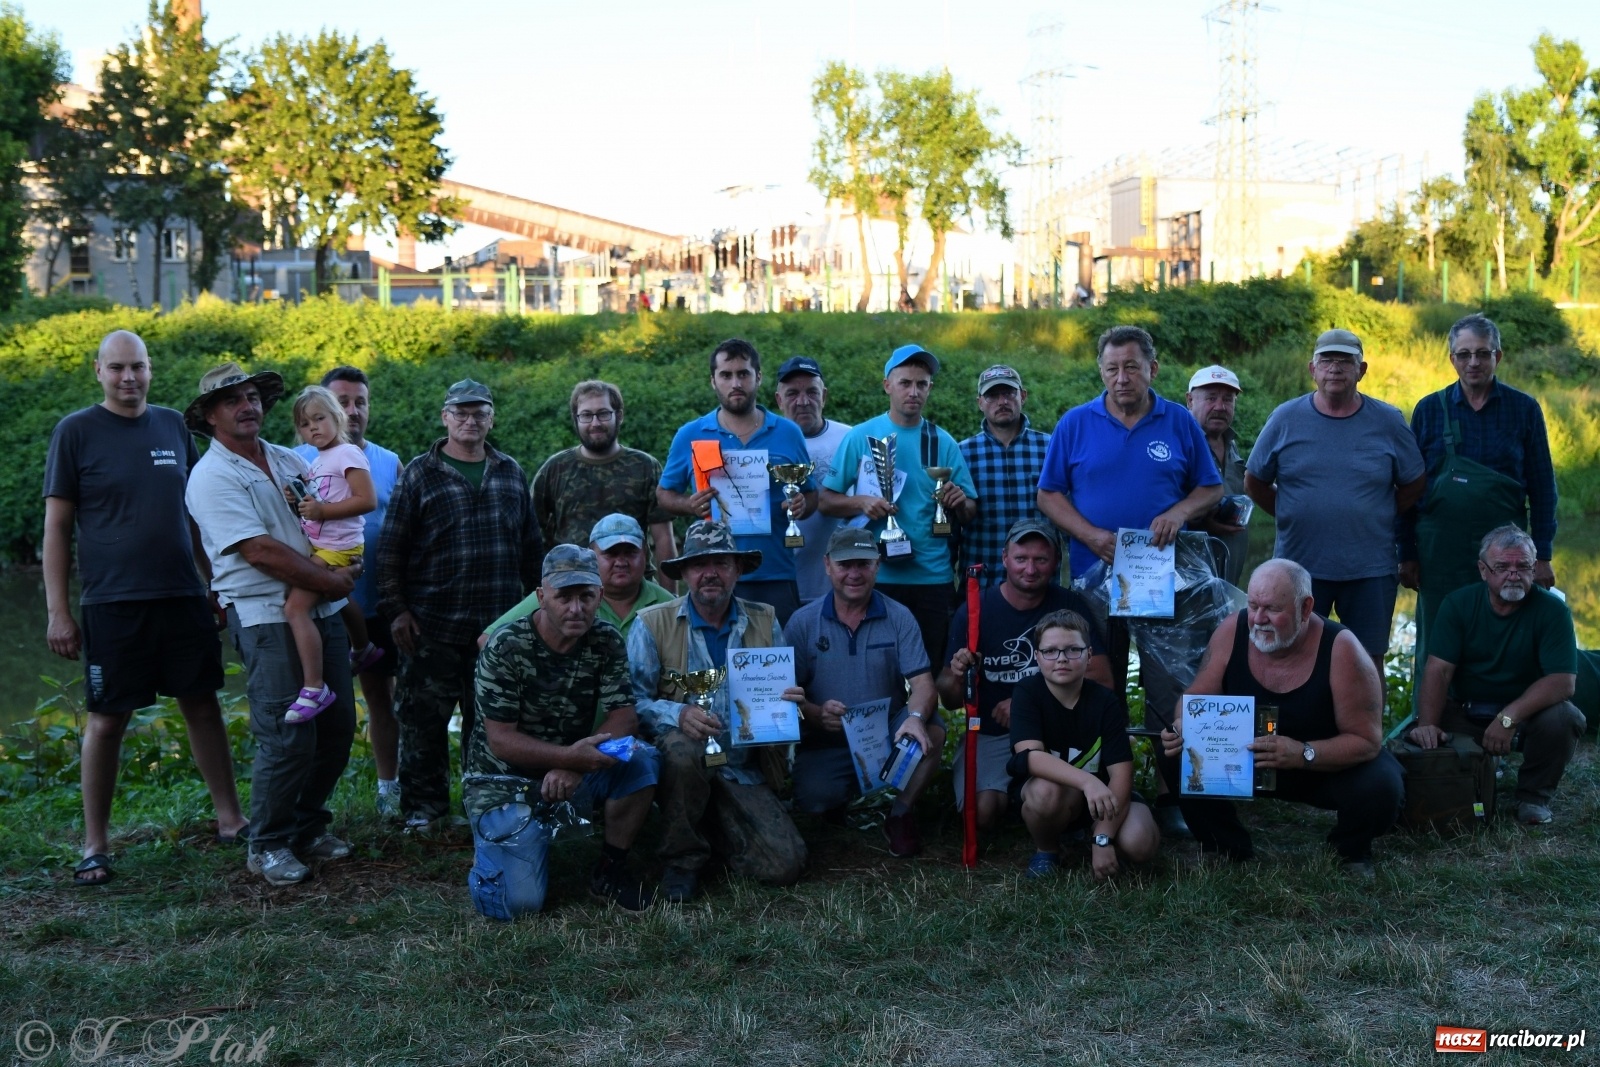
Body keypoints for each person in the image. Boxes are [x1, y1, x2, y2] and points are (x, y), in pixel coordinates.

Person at [43, 331, 247, 886]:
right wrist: (57, 611)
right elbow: (57, 528)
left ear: (150, 370)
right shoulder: (75, 432)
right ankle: (95, 845)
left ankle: (231, 819)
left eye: (137, 367)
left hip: (182, 595)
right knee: (107, 719)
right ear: (98, 371)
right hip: (113, 602)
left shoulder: (173, 427)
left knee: (203, 704)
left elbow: (194, 513)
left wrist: (215, 583)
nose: (128, 378)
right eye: (117, 368)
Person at [1035, 324, 1220, 836]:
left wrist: (1181, 512)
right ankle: (1105, 789)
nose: (1122, 377)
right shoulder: (1075, 423)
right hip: (1095, 580)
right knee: (1096, 681)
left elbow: (1211, 486)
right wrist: (1091, 535)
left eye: (1132, 366)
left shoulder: (1179, 421)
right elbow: (1049, 496)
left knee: (1168, 684)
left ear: (1152, 369)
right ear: (1101, 372)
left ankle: (1170, 794)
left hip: (1164, 580)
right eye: (1112, 368)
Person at [185, 362, 360, 886]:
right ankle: (267, 843)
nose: (248, 406)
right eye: (233, 400)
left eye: (253, 396)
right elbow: (258, 551)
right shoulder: (211, 476)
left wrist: (345, 559)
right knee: (288, 735)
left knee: (337, 727)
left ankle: (306, 826)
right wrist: (330, 580)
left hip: (320, 609)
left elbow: (325, 520)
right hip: (264, 616)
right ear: (212, 416)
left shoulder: (288, 459)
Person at [1160, 559, 1404, 876]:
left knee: (1382, 783)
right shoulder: (1233, 629)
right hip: (1244, 762)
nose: (1259, 619)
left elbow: (1366, 741)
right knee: (1174, 753)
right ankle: (1224, 847)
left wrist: (1302, 752)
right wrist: (1183, 724)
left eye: (1272, 609)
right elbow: (1197, 695)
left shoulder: (1342, 648)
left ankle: (1349, 852)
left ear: (1305, 608)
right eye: (1253, 606)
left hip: (1321, 766)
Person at [376, 379, 544, 832]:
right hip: (430, 626)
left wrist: (536, 609)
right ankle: (422, 813)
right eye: (461, 412)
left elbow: (531, 548)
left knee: (490, 726)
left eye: (480, 413)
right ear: (445, 417)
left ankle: (486, 811)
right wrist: (396, 609)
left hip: (497, 631)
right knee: (422, 725)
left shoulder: (510, 471)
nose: (471, 420)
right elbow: (391, 549)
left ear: (491, 418)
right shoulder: (419, 472)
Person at [465, 545, 661, 918]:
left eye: (586, 597)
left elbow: (624, 717)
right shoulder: (506, 646)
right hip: (504, 781)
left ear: (599, 596)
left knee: (640, 755)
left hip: (574, 767)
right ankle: (494, 853)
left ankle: (610, 870)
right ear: (541, 597)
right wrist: (569, 758)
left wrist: (576, 765)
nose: (576, 609)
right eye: (564, 597)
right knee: (516, 906)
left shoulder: (605, 640)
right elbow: (500, 740)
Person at [626, 521, 808, 902]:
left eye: (722, 563)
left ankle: (709, 827)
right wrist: (676, 715)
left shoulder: (764, 619)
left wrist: (789, 705)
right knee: (681, 748)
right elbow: (631, 704)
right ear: (685, 573)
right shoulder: (652, 623)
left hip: (741, 769)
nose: (710, 573)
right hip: (680, 766)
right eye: (698, 564)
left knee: (785, 865)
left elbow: (777, 699)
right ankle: (682, 859)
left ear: (738, 569)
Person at [1245, 329, 1426, 666]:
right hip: (1299, 567)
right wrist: (1288, 513)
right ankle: (1293, 722)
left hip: (1369, 568)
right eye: (1327, 360)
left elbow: (1415, 483)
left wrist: (1379, 512)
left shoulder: (1388, 421)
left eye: (1346, 361)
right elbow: (1254, 482)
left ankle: (1365, 722)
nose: (1335, 369)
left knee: (1368, 662)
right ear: (1312, 369)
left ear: (1362, 370)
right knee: (1290, 656)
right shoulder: (1285, 418)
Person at [1399, 315, 1558, 667]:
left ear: (1498, 357)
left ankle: (1507, 715)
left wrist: (1543, 553)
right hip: (1439, 552)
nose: (1474, 362)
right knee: (1440, 638)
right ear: (1452, 358)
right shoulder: (1428, 410)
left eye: (1483, 354)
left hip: (1509, 552)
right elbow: (1407, 488)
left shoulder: (1524, 409)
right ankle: (1430, 718)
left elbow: (1544, 488)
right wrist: (1406, 552)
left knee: (1506, 631)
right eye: (1465, 354)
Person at [937, 520, 1111, 831]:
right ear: (1005, 558)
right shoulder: (976, 608)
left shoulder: (1068, 605)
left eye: (1041, 560)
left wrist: (1024, 702)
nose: (1030, 569)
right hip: (993, 731)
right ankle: (1018, 799)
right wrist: (956, 673)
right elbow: (950, 701)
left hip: (1055, 730)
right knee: (981, 815)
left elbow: (1102, 678)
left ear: (1056, 562)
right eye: (1021, 559)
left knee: (1058, 802)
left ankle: (1042, 809)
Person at [781, 527, 945, 856]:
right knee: (814, 799)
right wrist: (814, 713)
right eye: (845, 565)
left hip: (887, 734)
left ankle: (900, 813)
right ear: (827, 565)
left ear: (877, 565)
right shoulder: (802, 622)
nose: (854, 574)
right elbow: (786, 696)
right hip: (827, 738)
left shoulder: (899, 616)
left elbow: (924, 683)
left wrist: (913, 717)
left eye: (863, 564)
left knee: (933, 731)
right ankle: (835, 801)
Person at [1407, 526, 1584, 826]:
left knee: (1566, 718)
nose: (1513, 574)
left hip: (1526, 715)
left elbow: (1563, 681)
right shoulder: (1458, 604)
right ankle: (1464, 781)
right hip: (1466, 710)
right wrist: (1427, 724)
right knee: (1413, 738)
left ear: (1534, 568)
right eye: (1502, 567)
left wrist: (1508, 718)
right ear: (1483, 570)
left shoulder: (1553, 611)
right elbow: (1439, 669)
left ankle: (1533, 796)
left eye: (1523, 566)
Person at [820, 344, 978, 667]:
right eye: (905, 383)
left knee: (929, 671)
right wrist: (861, 502)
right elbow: (825, 501)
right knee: (877, 672)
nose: (914, 392)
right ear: (887, 385)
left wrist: (960, 502)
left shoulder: (942, 441)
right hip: (876, 576)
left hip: (932, 578)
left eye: (922, 384)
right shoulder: (861, 437)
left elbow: (971, 509)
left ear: (930, 389)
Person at [293, 366, 404, 817]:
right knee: (319, 699)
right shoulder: (297, 458)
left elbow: (397, 530)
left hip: (374, 602)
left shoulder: (389, 460)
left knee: (382, 698)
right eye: (342, 401)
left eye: (360, 402)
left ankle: (388, 788)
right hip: (322, 600)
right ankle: (307, 799)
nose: (352, 411)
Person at [658, 339, 816, 624]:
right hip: (712, 576)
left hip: (776, 573)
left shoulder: (788, 432)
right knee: (718, 663)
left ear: (758, 377)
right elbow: (664, 494)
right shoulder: (691, 434)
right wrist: (688, 504)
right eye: (726, 375)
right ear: (713, 381)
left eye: (743, 373)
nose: (736, 383)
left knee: (776, 664)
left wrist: (802, 503)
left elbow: (812, 495)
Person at [1010, 610, 1159, 880]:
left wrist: (1103, 838)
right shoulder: (1027, 693)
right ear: (1037, 656)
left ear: (1089, 655)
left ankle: (1096, 835)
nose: (1062, 659)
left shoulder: (1105, 702)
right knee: (1044, 792)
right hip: (1058, 794)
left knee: (1140, 844)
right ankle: (1047, 850)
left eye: (1073, 650)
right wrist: (1087, 782)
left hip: (1104, 799)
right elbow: (1029, 757)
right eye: (1050, 651)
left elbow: (1121, 774)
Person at [280, 386, 379, 723]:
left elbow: (367, 500)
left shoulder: (347, 454)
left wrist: (322, 511)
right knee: (334, 597)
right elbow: (322, 499)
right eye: (305, 425)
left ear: (337, 417)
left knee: (295, 608)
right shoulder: (318, 459)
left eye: (319, 419)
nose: (314, 429)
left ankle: (314, 687)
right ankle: (363, 647)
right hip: (325, 544)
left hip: (338, 547)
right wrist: (302, 503)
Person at [530, 380, 676, 577]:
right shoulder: (555, 469)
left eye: (603, 414)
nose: (595, 423)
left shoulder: (645, 467)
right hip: (571, 588)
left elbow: (663, 539)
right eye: (586, 415)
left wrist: (670, 599)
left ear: (619, 416)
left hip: (633, 586)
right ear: (576, 419)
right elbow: (532, 535)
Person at [481, 514, 675, 647]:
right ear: (592, 555)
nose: (621, 562)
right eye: (611, 554)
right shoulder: (558, 594)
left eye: (631, 553)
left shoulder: (668, 605)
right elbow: (487, 639)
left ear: (645, 555)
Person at [958, 365, 1050, 588]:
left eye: (1009, 393)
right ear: (980, 402)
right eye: (992, 395)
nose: (1002, 402)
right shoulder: (962, 453)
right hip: (982, 578)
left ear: (1023, 396)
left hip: (1038, 580)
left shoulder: (1050, 448)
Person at [772, 356, 851, 604]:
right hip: (779, 582)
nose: (803, 401)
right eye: (793, 393)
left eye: (812, 392)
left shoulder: (850, 439)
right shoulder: (764, 443)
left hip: (841, 586)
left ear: (824, 396)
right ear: (779, 400)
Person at [1186, 365, 1250, 588]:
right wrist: (1203, 521)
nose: (1220, 407)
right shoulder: (1180, 444)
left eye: (1228, 399)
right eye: (1211, 398)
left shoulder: (1231, 443)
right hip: (1190, 581)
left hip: (1229, 576)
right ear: (1190, 401)